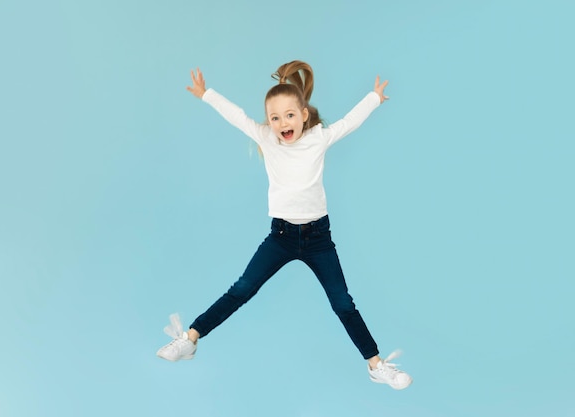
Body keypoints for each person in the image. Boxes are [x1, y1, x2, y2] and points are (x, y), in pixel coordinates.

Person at [157, 61, 412, 390]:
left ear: (304, 115)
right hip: (281, 237)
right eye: (274, 118)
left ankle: (377, 365)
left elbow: (349, 123)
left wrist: (374, 98)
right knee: (241, 290)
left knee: (343, 302)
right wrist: (207, 94)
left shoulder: (318, 138)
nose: (281, 123)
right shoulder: (267, 138)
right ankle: (190, 339)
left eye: (289, 115)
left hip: (319, 238)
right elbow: (238, 117)